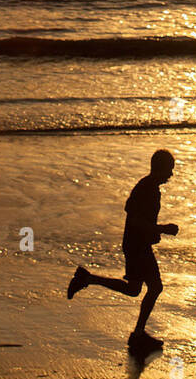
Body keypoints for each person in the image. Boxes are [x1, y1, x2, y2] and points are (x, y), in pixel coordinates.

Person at [67, 149, 179, 353]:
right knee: (154, 287)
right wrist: (163, 228)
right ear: (159, 168)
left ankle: (88, 279)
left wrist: (154, 231)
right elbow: (136, 220)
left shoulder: (148, 187)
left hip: (137, 244)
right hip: (136, 246)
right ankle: (137, 334)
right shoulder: (147, 188)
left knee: (135, 289)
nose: (171, 175)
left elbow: (134, 215)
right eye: (169, 170)